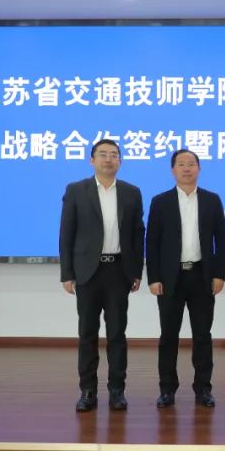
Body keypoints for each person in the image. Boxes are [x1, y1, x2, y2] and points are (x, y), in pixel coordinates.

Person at [59, 139, 145, 412]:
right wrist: (67, 273)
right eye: (103, 154)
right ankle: (88, 391)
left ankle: (117, 391)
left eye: (114, 155)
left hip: (118, 271)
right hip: (88, 272)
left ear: (120, 161)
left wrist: (136, 271)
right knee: (87, 334)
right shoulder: (76, 190)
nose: (109, 159)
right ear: (92, 160)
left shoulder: (131, 192)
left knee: (117, 334)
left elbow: (137, 234)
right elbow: (66, 234)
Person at [146, 149, 225, 408]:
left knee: (202, 335)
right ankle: (167, 389)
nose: (186, 168)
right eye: (181, 164)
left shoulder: (212, 200)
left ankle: (203, 389)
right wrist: (153, 278)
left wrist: (219, 273)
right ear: (173, 170)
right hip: (170, 278)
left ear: (199, 169)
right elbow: (152, 242)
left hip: (202, 276)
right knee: (168, 335)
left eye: (191, 164)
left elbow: (221, 240)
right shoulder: (160, 202)